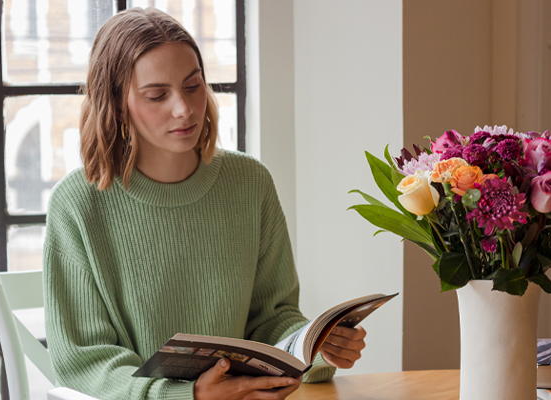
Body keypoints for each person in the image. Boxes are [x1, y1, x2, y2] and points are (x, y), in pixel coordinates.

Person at [43, 8, 365, 400]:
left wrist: (315, 347)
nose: (184, 108)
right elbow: (84, 364)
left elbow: (271, 319)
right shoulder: (77, 205)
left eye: (193, 86)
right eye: (157, 95)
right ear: (116, 102)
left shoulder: (249, 182)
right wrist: (187, 396)